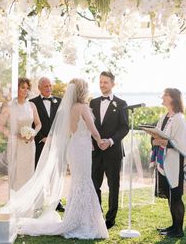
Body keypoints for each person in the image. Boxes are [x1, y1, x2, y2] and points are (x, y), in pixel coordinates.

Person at [14, 78, 108, 239]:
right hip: (82, 148)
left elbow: (72, 130)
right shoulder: (83, 107)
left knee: (79, 182)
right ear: (81, 91)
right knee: (84, 181)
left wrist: (85, 139)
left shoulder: (70, 108)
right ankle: (82, 221)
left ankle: (78, 217)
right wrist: (99, 141)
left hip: (75, 146)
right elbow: (93, 130)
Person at [146, 88, 186, 238]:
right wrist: (153, 137)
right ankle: (173, 226)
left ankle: (179, 229)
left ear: (173, 98)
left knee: (176, 196)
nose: (162, 96)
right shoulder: (164, 117)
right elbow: (157, 135)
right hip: (164, 162)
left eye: (165, 94)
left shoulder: (179, 118)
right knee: (170, 196)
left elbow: (181, 143)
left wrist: (162, 141)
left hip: (175, 163)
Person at [90, 71, 129, 229]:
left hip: (113, 152)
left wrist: (111, 141)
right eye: (100, 82)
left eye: (105, 82)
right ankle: (97, 214)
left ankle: (110, 218)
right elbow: (89, 126)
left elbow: (124, 128)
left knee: (114, 185)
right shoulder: (92, 103)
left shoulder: (121, 103)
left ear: (113, 84)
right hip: (96, 152)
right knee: (94, 184)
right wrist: (95, 142)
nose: (102, 85)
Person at [0, 77, 41, 191]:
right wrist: (16, 136)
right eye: (22, 87)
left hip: (29, 146)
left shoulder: (31, 106)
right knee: (16, 175)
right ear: (16, 89)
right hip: (15, 145)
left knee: (28, 173)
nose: (25, 90)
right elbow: (0, 127)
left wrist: (33, 133)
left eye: (27, 88)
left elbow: (38, 124)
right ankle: (16, 204)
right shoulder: (9, 106)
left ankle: (27, 205)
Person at [29, 76, 64, 212]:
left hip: (56, 145)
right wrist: (41, 138)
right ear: (39, 88)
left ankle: (57, 202)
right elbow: (30, 123)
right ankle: (38, 202)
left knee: (56, 173)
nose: (49, 88)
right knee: (39, 173)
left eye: (50, 85)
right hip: (39, 144)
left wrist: (57, 138)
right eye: (45, 86)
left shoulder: (59, 102)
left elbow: (63, 122)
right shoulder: (32, 103)